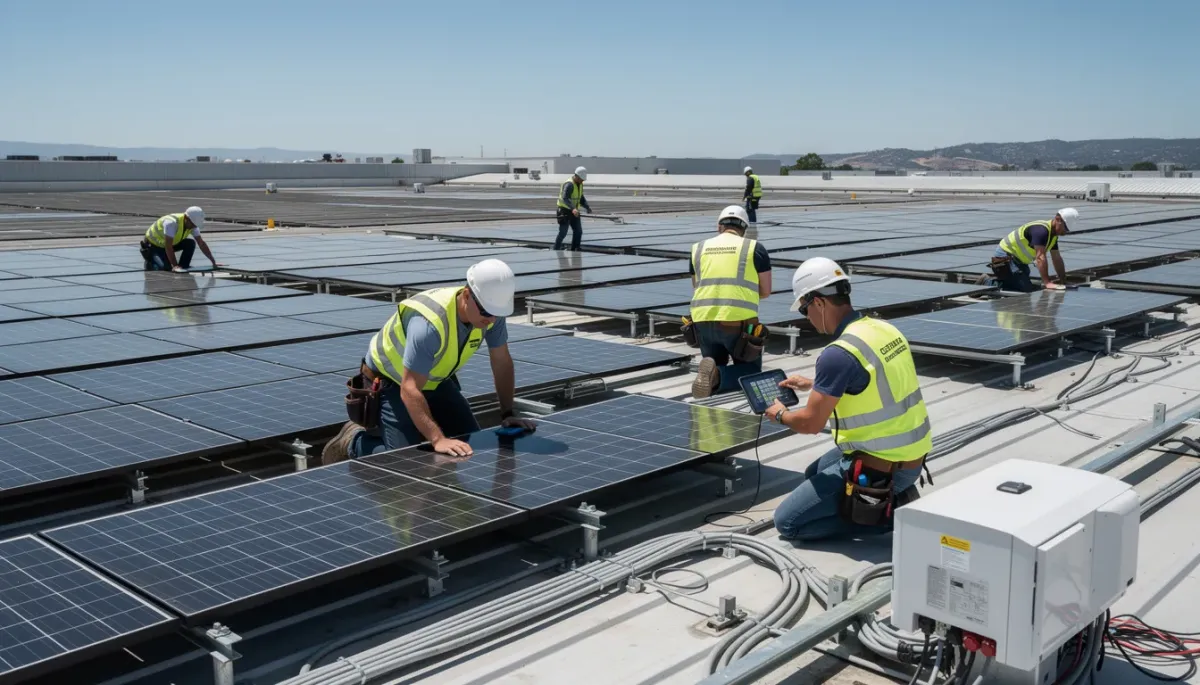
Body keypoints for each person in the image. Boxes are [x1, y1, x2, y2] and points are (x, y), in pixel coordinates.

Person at [767, 257, 932, 541]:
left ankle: (889, 513)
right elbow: (874, 380)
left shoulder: (837, 354)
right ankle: (884, 499)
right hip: (912, 457)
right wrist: (815, 385)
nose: (806, 317)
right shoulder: (883, 328)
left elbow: (810, 423)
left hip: (884, 466)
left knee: (788, 523)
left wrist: (780, 414)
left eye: (805, 309)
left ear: (819, 303)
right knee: (814, 472)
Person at [322, 258, 536, 463]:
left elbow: (501, 362)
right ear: (467, 295)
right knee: (406, 461)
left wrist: (507, 413)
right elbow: (409, 388)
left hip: (434, 379)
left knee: (471, 442)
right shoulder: (428, 323)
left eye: (497, 313)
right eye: (486, 312)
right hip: (392, 382)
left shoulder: (491, 315)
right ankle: (354, 441)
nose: (491, 319)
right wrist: (437, 439)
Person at [689, 205, 773, 399]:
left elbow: (696, 285)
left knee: (713, 364)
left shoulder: (697, 248)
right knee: (751, 371)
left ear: (719, 226)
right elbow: (765, 291)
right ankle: (717, 376)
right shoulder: (754, 248)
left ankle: (712, 375)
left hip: (702, 321)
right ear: (744, 228)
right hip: (739, 323)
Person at [990, 207, 1077, 292]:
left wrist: (1063, 280)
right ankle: (987, 282)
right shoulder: (1041, 231)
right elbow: (1040, 258)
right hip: (1005, 258)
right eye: (1065, 228)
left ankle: (1011, 281)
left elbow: (1056, 258)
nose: (1065, 232)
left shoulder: (1053, 236)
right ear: (1058, 219)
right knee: (1025, 288)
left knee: (1025, 285)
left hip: (1019, 262)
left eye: (1067, 230)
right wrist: (1047, 283)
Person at [141, 206, 221, 272]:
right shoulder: (172, 223)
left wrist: (213, 262)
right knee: (166, 268)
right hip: (153, 246)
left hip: (167, 245)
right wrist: (175, 266)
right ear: (186, 218)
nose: (194, 226)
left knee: (190, 243)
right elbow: (168, 247)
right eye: (193, 224)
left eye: (195, 225)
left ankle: (183, 266)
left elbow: (201, 243)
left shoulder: (193, 225)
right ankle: (150, 259)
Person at [553, 166, 592, 251]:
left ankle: (575, 249)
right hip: (564, 211)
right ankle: (556, 249)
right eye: (581, 179)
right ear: (576, 176)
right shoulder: (569, 184)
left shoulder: (580, 184)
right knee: (563, 232)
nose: (582, 181)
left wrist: (587, 207)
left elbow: (580, 197)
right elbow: (565, 198)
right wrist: (573, 209)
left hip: (574, 211)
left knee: (578, 231)